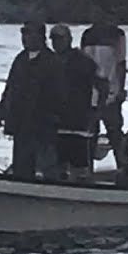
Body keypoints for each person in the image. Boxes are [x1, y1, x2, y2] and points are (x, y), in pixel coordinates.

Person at [0, 21, 66, 180]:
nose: (25, 38)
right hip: (21, 125)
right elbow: (10, 88)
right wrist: (1, 109)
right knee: (21, 168)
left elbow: (59, 94)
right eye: (23, 34)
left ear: (40, 36)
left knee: (47, 169)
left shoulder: (52, 61)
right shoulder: (20, 59)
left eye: (29, 33)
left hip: (43, 126)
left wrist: (53, 116)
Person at [49, 24, 99, 181]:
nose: (57, 43)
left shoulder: (83, 61)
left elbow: (101, 86)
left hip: (78, 122)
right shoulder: (49, 60)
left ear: (69, 39)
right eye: (54, 39)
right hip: (55, 121)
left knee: (80, 167)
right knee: (56, 164)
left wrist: (97, 112)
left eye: (60, 39)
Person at [80, 16, 127, 170]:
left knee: (114, 134)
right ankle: (87, 169)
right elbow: (83, 63)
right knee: (90, 134)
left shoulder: (117, 35)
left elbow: (121, 64)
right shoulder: (87, 34)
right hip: (89, 93)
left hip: (110, 93)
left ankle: (123, 169)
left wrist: (120, 90)